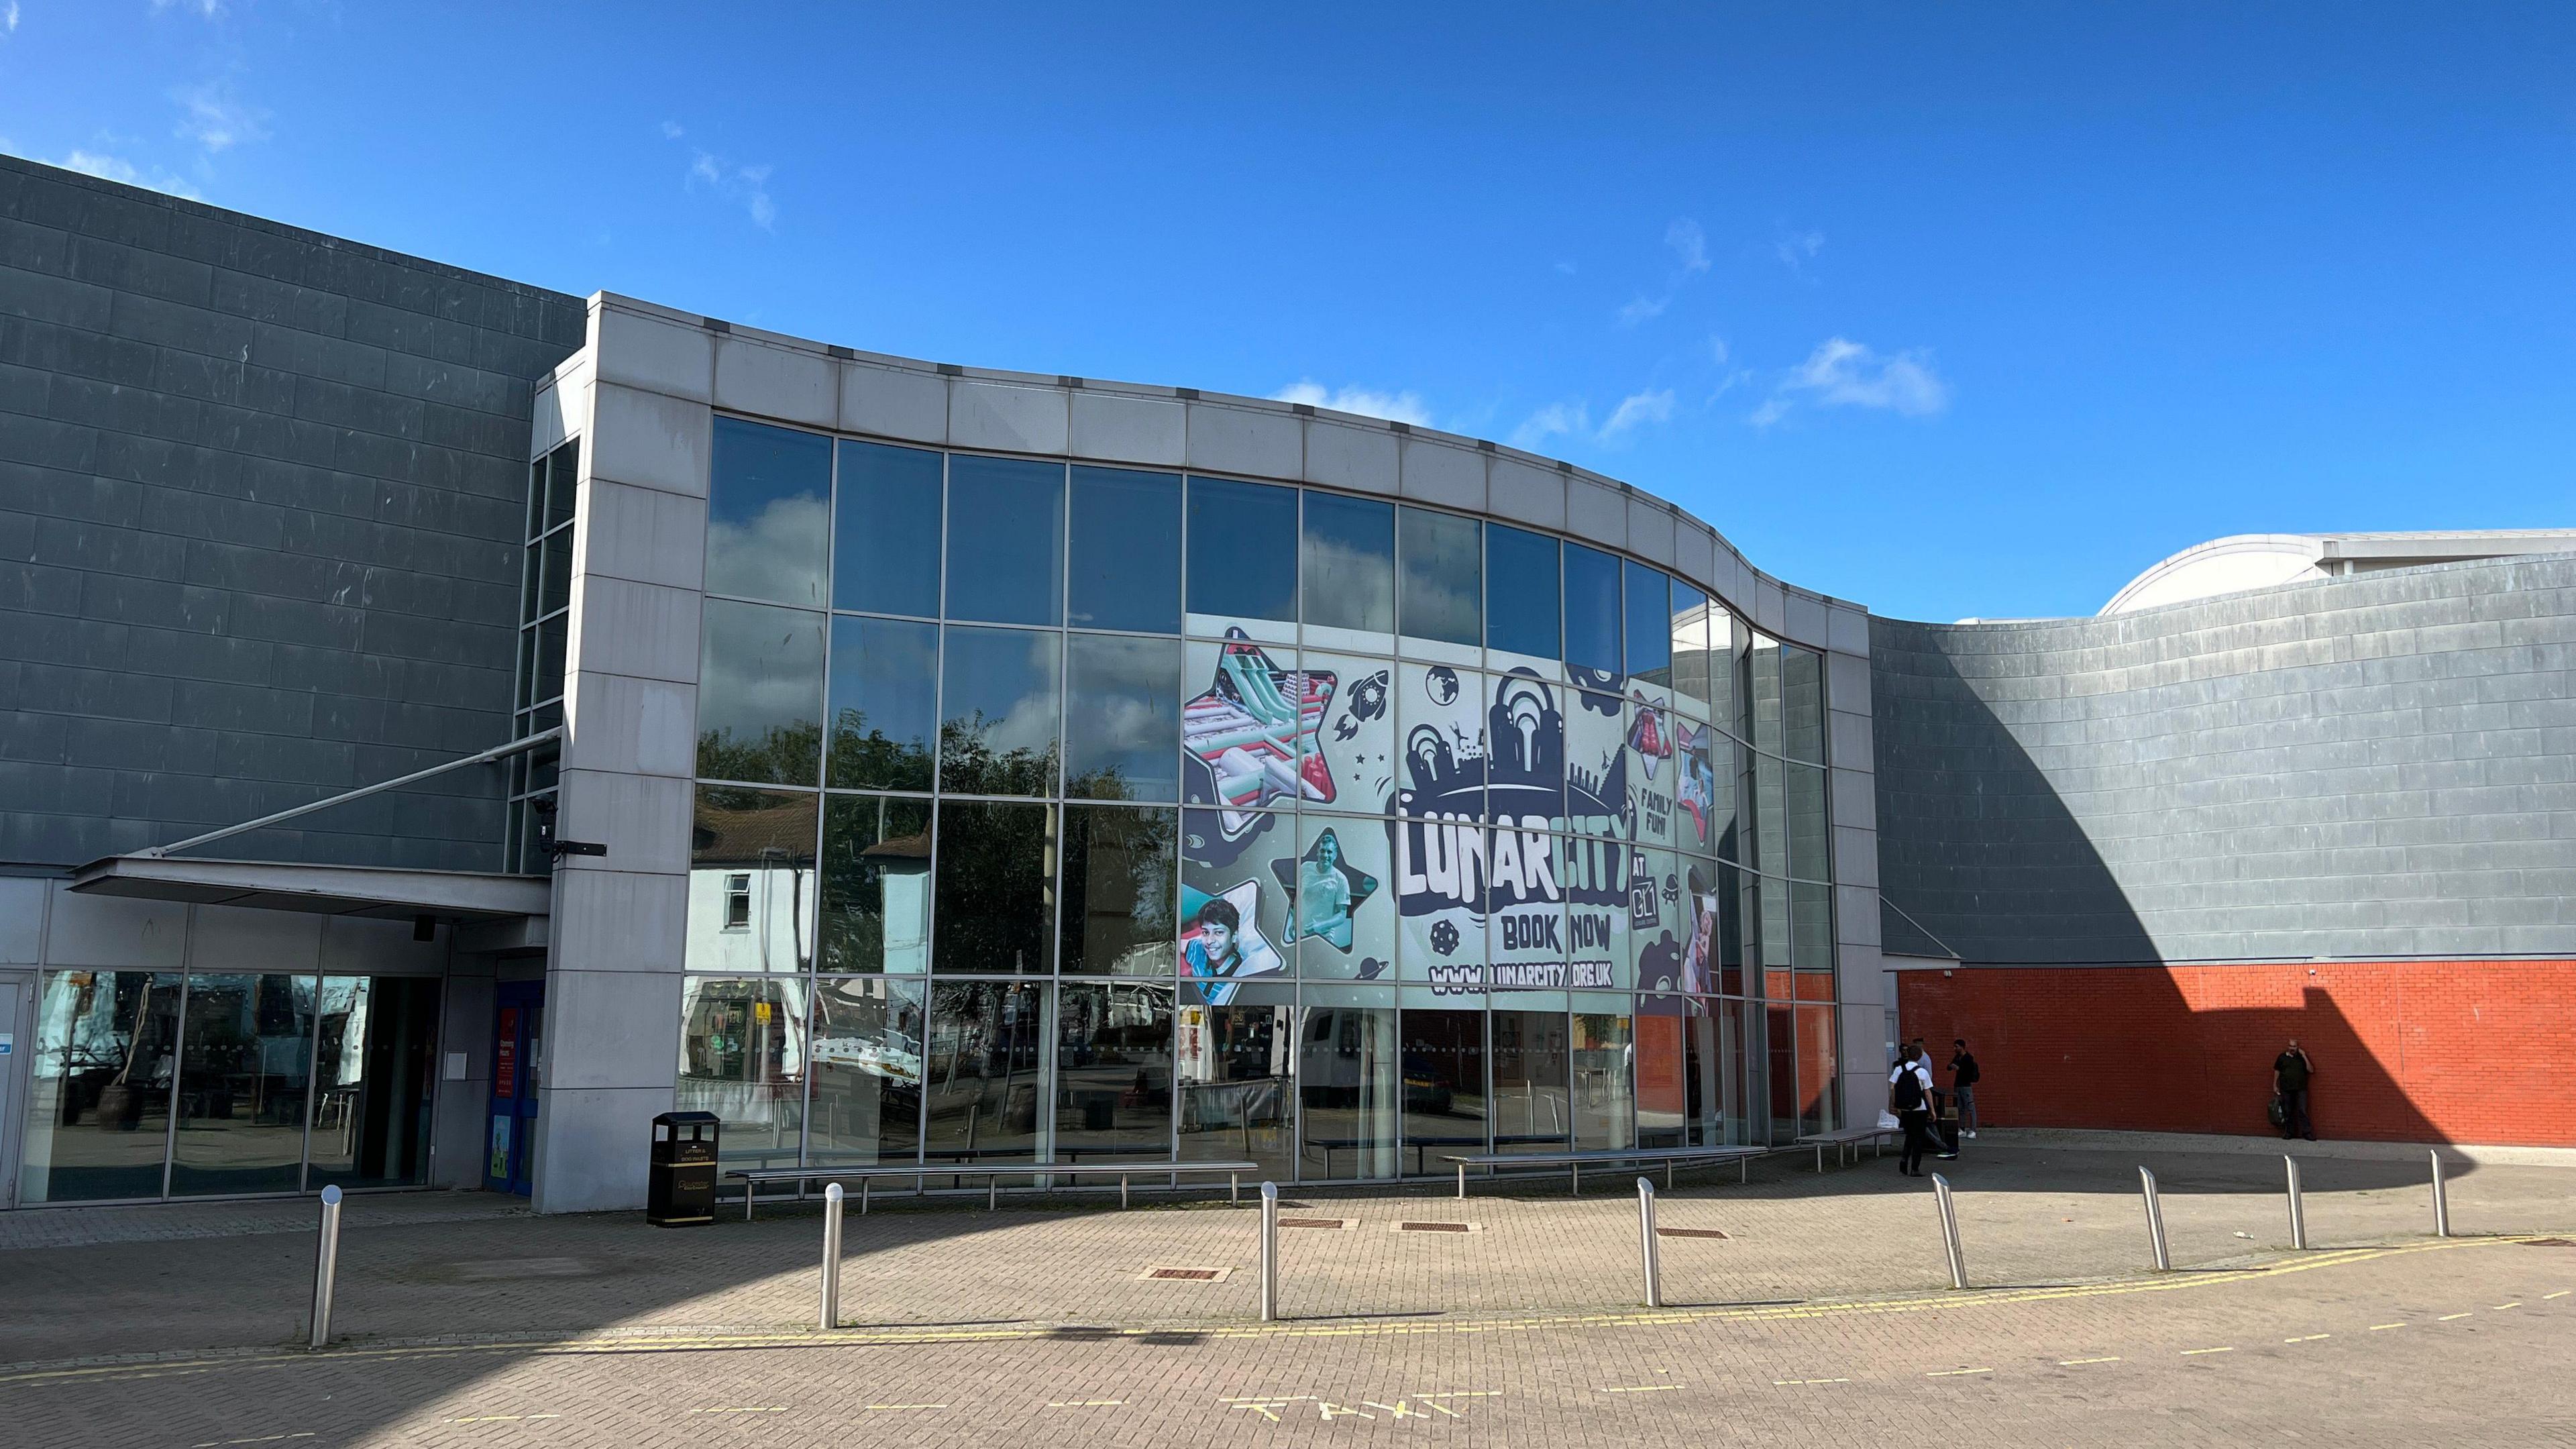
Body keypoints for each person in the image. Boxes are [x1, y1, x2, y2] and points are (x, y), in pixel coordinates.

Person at [1888, 1045, 1937, 1177]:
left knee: (1909, 1136)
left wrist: (1893, 1105)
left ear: (1907, 1054)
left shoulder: (1899, 1070)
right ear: (1920, 1056)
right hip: (1919, 1109)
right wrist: (1932, 1110)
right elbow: (1927, 1092)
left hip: (1904, 1109)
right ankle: (1915, 1168)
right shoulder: (1922, 1072)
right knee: (1919, 1139)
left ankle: (1904, 1159)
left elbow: (1892, 1088)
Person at [2273, 1039, 2316, 1141]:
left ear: (2298, 1047)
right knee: (2288, 1111)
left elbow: (2311, 1070)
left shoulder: (2301, 1058)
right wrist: (2274, 1085)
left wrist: (2304, 1056)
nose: (2292, 1048)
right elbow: (2277, 1071)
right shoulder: (2282, 1057)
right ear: (2288, 1046)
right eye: (2290, 1046)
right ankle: (2289, 1132)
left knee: (2302, 1110)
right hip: (2286, 1089)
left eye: (2294, 1046)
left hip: (2301, 1089)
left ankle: (2307, 1133)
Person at [1948, 1038, 1982, 1139]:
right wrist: (1951, 1066)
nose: (1955, 1049)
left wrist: (1958, 1069)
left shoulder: (1969, 1058)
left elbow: (1968, 1073)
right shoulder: (1957, 1057)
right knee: (1960, 1108)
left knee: (1970, 1108)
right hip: (1958, 1085)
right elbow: (1949, 1067)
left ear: (1962, 1047)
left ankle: (1973, 1130)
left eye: (1956, 1047)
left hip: (1966, 1086)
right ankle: (1962, 1129)